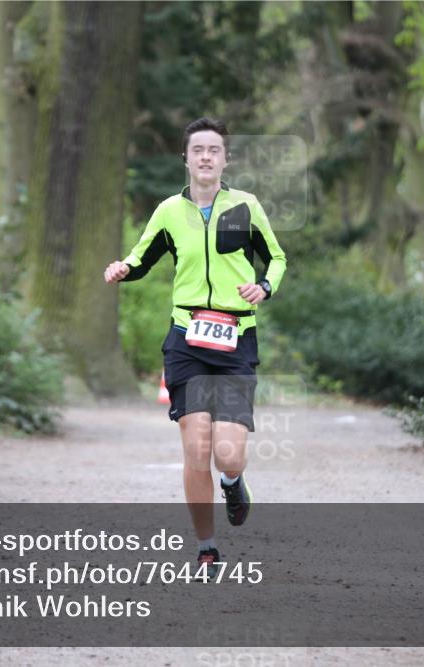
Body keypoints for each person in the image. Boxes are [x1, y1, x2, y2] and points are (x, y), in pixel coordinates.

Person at [103, 117, 287, 568]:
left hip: (235, 338)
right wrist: (123, 269)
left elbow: (277, 258)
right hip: (186, 338)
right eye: (198, 150)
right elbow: (141, 257)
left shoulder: (245, 206)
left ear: (226, 159)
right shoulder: (169, 211)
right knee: (197, 448)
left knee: (228, 454)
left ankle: (233, 482)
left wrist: (264, 286)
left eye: (214, 150)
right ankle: (207, 547)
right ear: (185, 159)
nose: (206, 157)